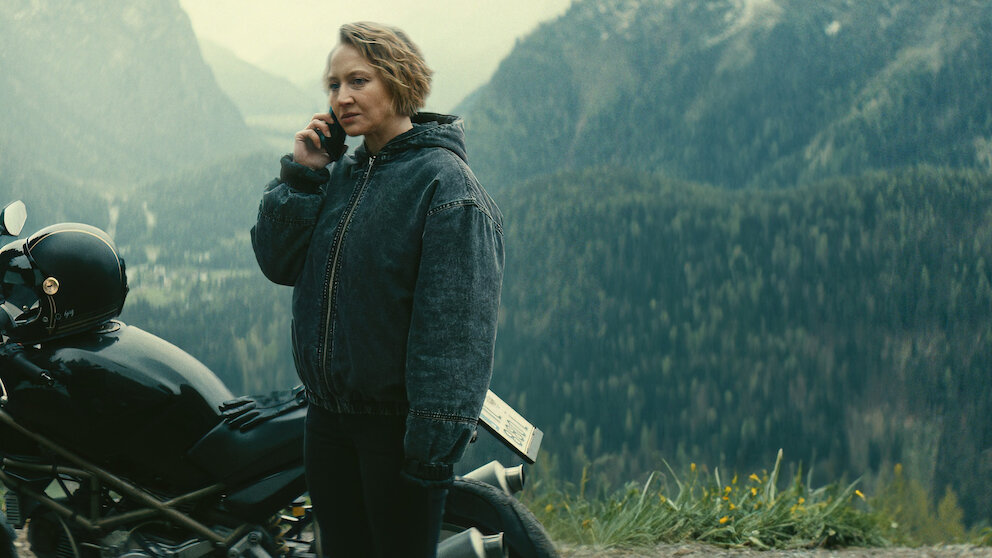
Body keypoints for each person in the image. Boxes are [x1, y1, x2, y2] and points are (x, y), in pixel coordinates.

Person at [250, 21, 504, 558]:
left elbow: (455, 336)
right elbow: (277, 262)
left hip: (397, 434)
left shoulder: (446, 186)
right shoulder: (339, 175)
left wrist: (430, 450)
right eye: (333, 84)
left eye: (358, 81)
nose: (341, 97)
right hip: (327, 423)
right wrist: (303, 175)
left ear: (399, 80)